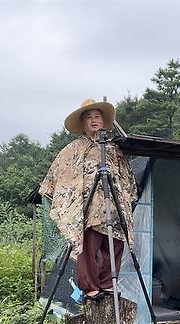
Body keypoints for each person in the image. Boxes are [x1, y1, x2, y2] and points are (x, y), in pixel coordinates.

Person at [38, 99, 137, 301]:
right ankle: (90, 286)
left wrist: (125, 195)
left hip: (114, 205)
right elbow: (59, 175)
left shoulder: (113, 149)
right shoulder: (74, 149)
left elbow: (126, 176)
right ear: (83, 123)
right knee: (89, 246)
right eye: (89, 117)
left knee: (115, 244)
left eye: (97, 116)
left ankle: (107, 283)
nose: (94, 120)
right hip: (89, 207)